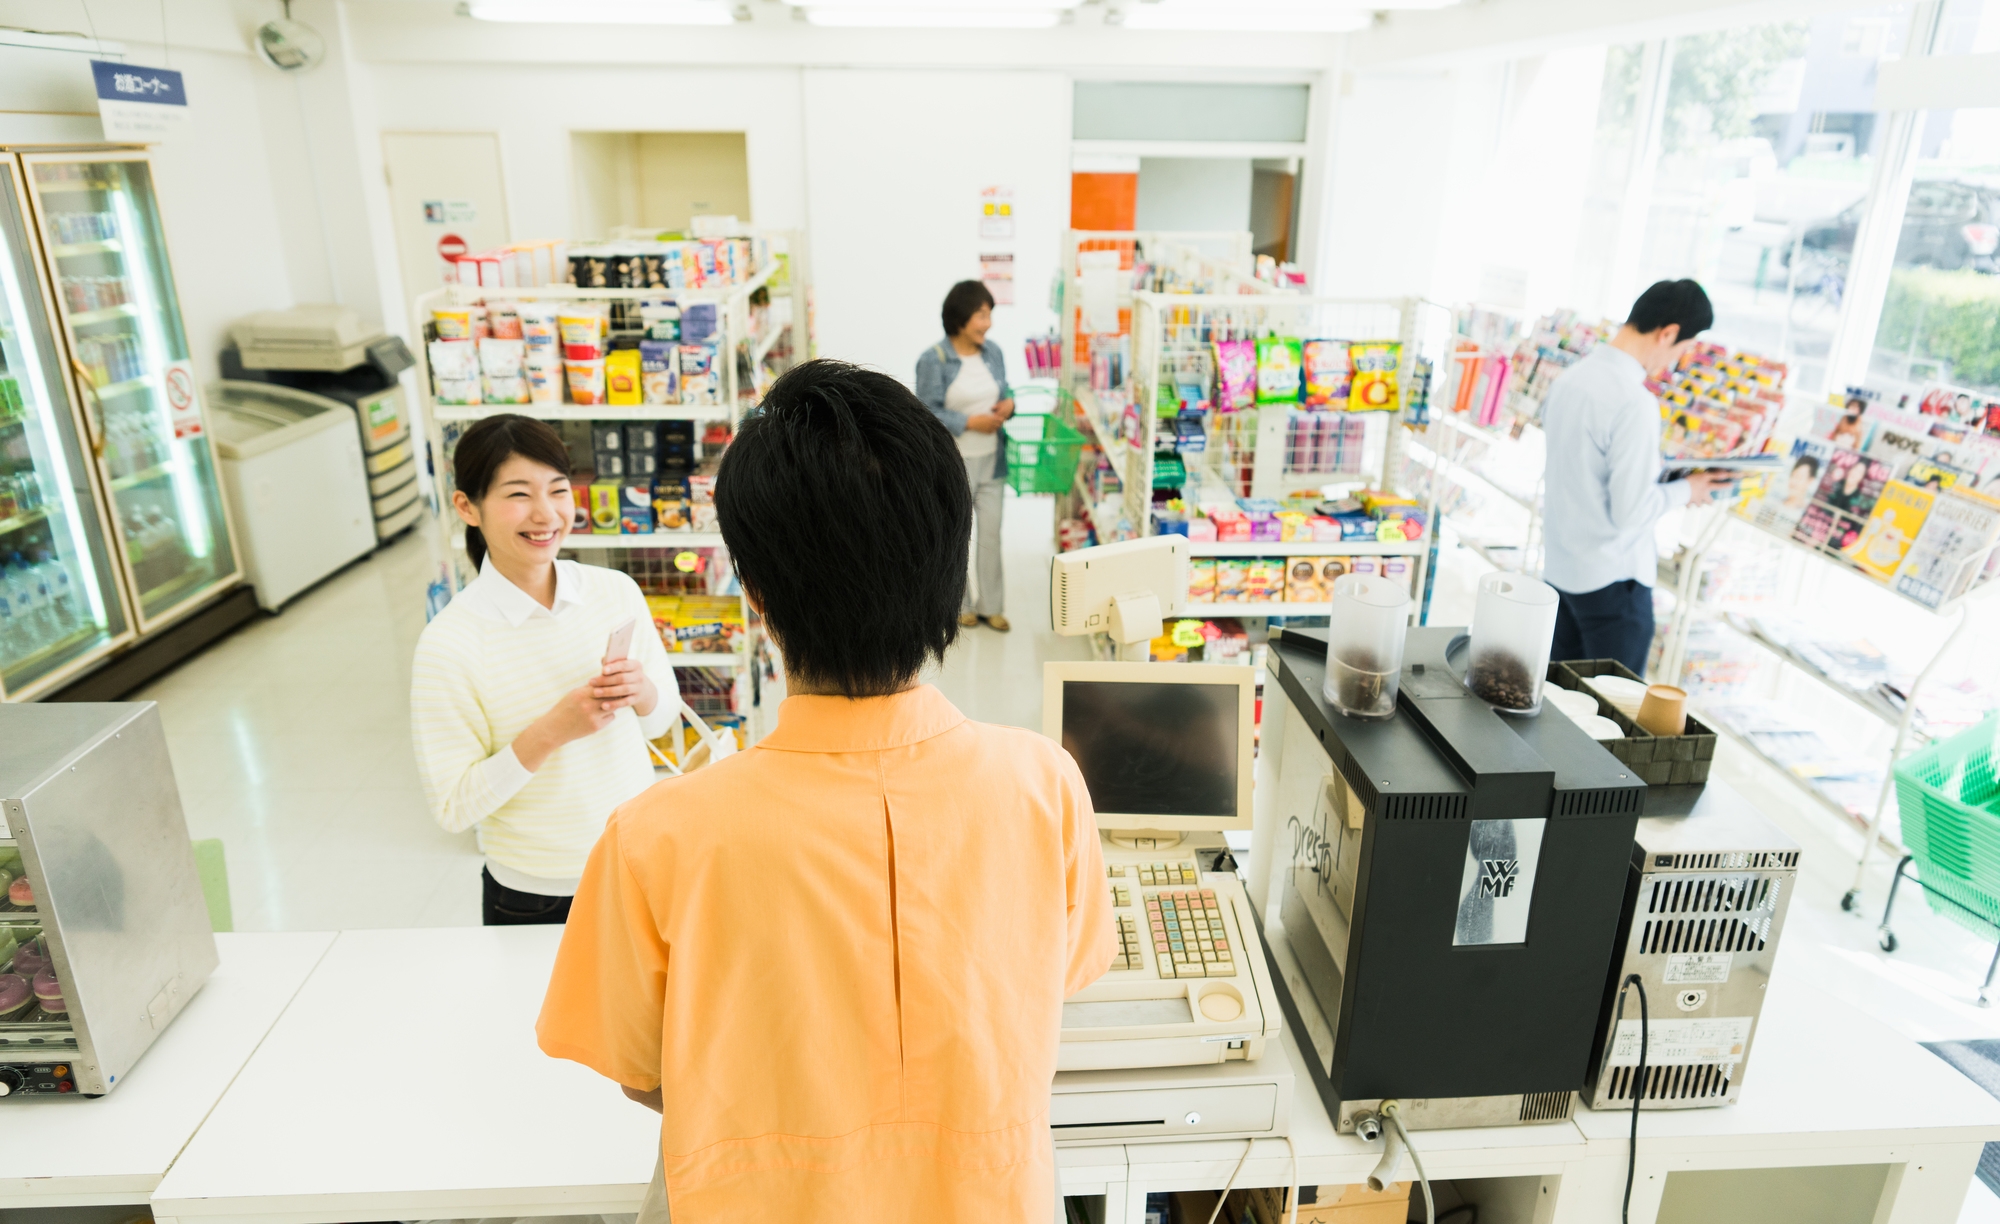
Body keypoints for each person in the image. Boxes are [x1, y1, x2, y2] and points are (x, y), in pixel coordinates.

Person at [537, 360, 1114, 1224]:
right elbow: (1055, 983)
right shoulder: (1044, 786)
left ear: (758, 598)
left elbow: (640, 1071)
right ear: (947, 576)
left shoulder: (656, 836)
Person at [410, 414, 679, 925]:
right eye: (518, 494)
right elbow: (453, 807)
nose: (546, 513)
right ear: (467, 507)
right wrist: (555, 730)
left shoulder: (614, 591)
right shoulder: (448, 644)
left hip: (641, 869)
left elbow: (660, 721)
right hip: (536, 895)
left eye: (558, 490)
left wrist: (641, 690)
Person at [1541, 280, 1733, 676]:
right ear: (1668, 333)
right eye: (1682, 349)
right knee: (1611, 724)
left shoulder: (1570, 380)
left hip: (1562, 573)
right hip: (1613, 585)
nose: (1677, 360)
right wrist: (1688, 489)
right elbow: (1631, 512)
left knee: (1557, 710)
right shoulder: (1634, 402)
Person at [915, 279, 1015, 631]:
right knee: (955, 538)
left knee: (991, 536)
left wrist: (1010, 405)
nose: (988, 323)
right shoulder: (934, 359)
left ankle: (992, 606)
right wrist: (970, 421)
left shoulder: (994, 353)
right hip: (954, 465)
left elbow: (1004, 392)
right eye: (981, 314)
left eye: (990, 314)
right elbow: (925, 411)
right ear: (960, 318)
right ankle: (960, 605)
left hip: (992, 461)